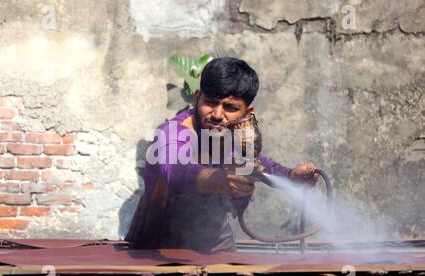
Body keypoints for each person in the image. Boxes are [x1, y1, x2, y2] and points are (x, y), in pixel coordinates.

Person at [125, 57, 318, 253]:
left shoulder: (227, 136)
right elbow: (173, 169)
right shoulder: (174, 133)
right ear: (197, 98)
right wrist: (215, 179)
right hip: (158, 245)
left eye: (230, 107)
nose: (217, 115)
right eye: (210, 102)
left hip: (214, 241)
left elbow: (253, 163)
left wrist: (289, 175)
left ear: (246, 112)